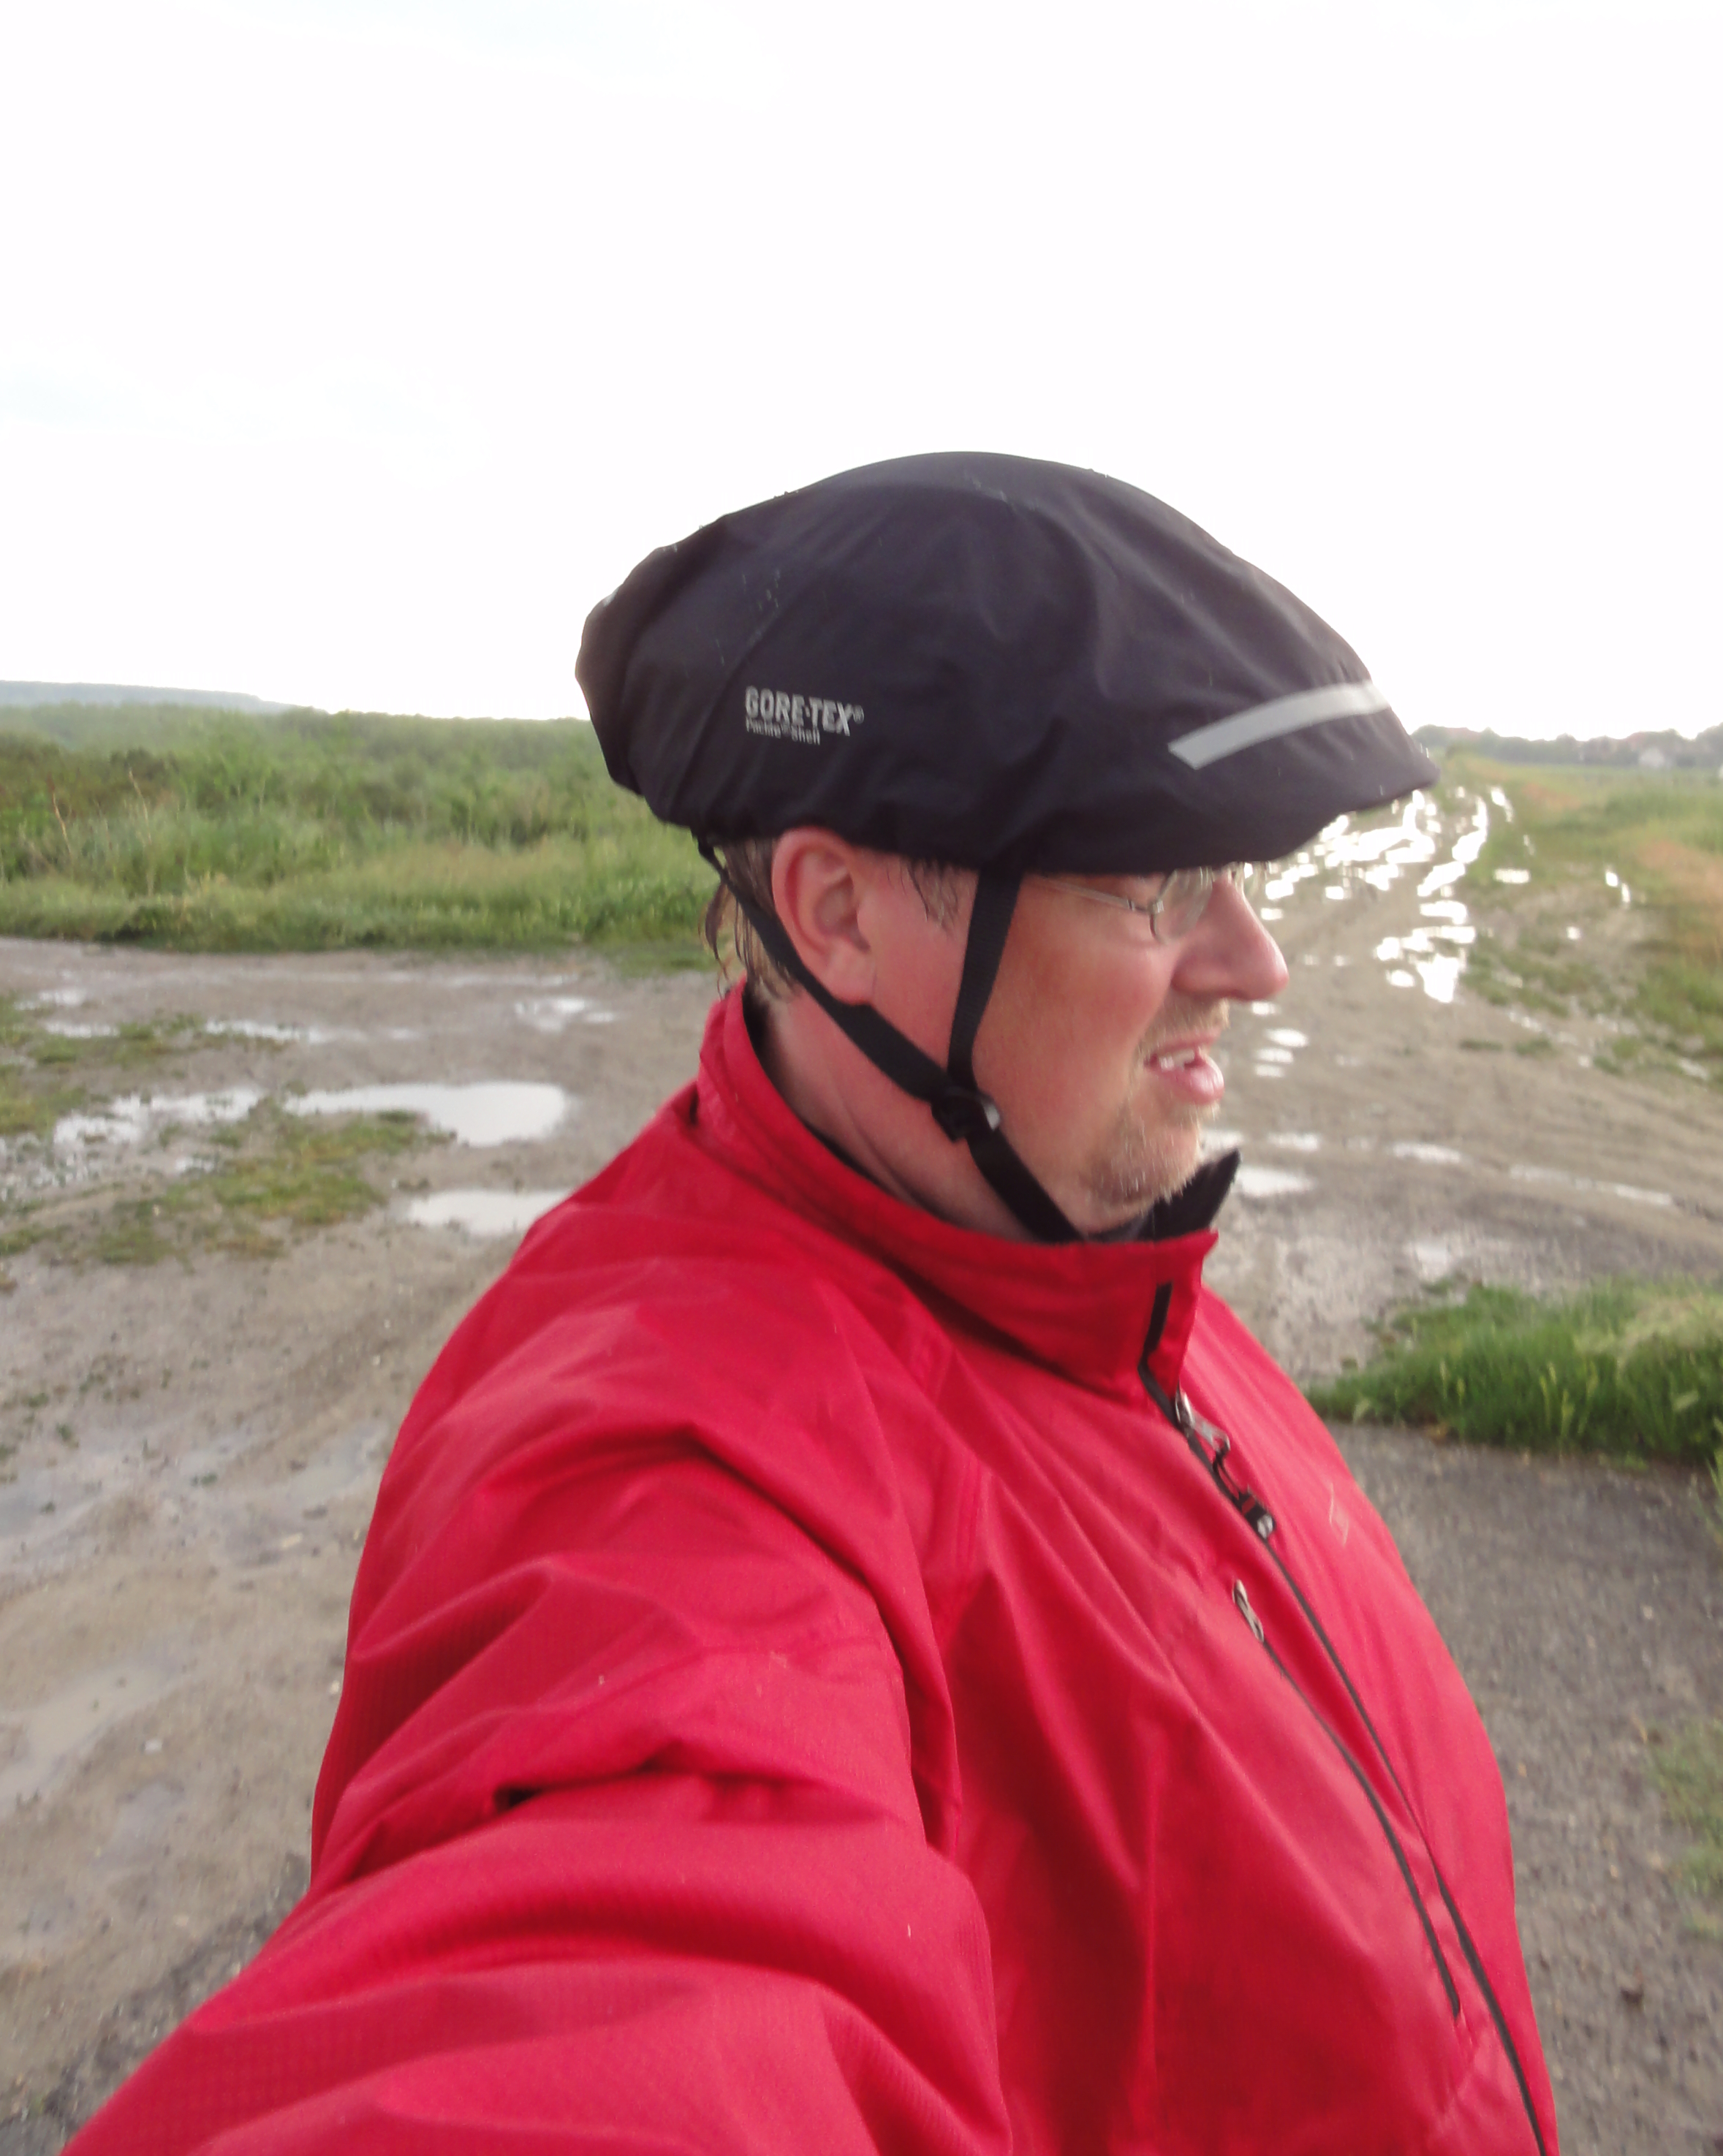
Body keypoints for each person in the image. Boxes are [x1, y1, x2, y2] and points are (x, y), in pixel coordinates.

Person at [76, 453, 1557, 2154]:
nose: (1251, 959)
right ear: (838, 915)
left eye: (1236, 873)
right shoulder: (675, 1460)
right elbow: (627, 1976)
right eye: (1154, 882)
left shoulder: (1082, 1269)